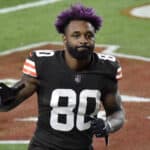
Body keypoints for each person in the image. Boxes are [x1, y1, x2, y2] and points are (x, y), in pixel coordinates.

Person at [0, 4, 125, 150]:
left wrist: (108, 125)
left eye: (89, 35)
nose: (84, 40)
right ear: (64, 39)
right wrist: (4, 98)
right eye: (76, 35)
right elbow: (7, 104)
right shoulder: (43, 64)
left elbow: (117, 112)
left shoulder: (106, 68)